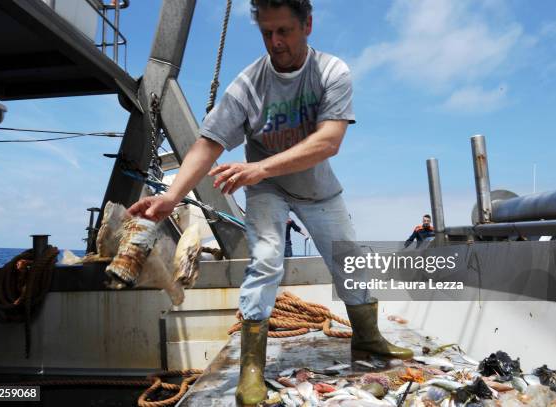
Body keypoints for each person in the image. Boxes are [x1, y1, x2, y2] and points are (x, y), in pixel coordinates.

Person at [128, 1, 412, 404]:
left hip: (316, 188)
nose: (275, 42)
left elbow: (329, 141)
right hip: (267, 190)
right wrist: (171, 197)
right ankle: (252, 370)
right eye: (267, 33)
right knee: (266, 260)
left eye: (284, 31)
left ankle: (367, 339)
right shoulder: (247, 85)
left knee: (349, 260)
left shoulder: (332, 72)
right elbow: (208, 144)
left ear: (307, 25)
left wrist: (259, 168)